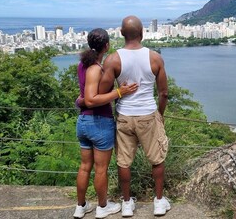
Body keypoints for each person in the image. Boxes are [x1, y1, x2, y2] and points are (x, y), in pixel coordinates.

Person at [99, 16, 170, 217]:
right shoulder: (155, 57)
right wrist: (160, 115)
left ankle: (127, 203)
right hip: (148, 114)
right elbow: (164, 93)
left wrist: (119, 93)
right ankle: (158, 201)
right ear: (142, 33)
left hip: (124, 116)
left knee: (124, 161)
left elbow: (103, 93)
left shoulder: (113, 59)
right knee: (157, 159)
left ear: (121, 33)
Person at [73, 28, 138, 219]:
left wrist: (80, 101)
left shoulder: (82, 65)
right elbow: (92, 99)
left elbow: (83, 97)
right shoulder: (95, 68)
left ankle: (81, 206)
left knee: (85, 166)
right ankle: (102, 207)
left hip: (84, 122)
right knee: (100, 169)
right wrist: (120, 93)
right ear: (107, 46)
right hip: (99, 122)